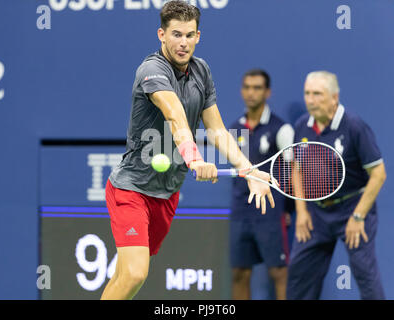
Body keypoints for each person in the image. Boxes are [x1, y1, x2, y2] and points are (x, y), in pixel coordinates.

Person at [100, 1, 274, 300]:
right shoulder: (151, 69)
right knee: (134, 272)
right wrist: (194, 157)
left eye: (189, 35)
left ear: (198, 36)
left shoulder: (201, 71)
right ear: (162, 35)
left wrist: (249, 171)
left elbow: (218, 130)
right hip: (131, 190)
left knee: (126, 278)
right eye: (176, 34)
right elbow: (174, 114)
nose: (183, 43)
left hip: (166, 194)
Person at [287, 71, 386, 300]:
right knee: (300, 278)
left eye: (317, 94)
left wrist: (358, 216)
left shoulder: (354, 126)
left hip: (353, 208)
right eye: (307, 94)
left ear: (334, 97)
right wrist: (301, 211)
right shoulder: (302, 126)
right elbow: (297, 170)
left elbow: (379, 174)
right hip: (316, 212)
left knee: (366, 276)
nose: (310, 100)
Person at [229, 69, 294, 300]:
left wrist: (287, 208)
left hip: (270, 210)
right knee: (239, 273)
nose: (251, 93)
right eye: (247, 87)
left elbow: (291, 171)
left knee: (278, 272)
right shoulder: (234, 128)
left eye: (257, 88)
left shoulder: (282, 129)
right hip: (241, 211)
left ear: (268, 92)